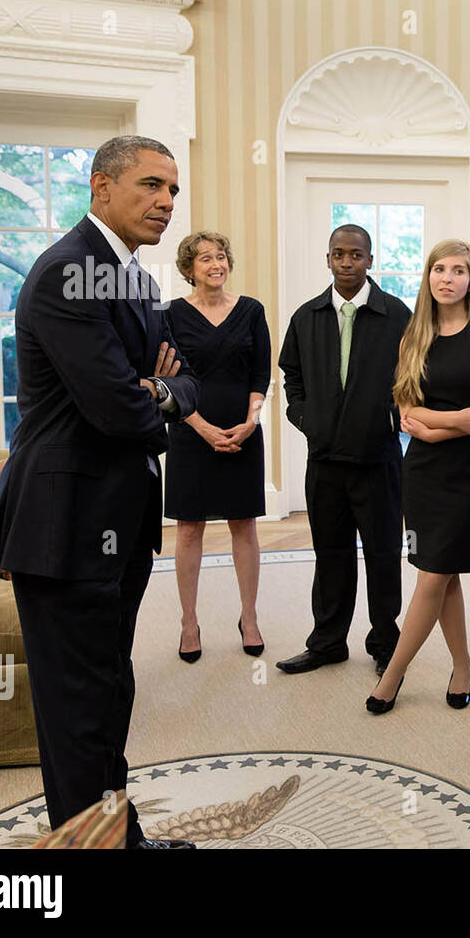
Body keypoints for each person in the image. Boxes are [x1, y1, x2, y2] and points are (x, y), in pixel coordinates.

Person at [0, 135, 200, 849]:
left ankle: (120, 840)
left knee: (108, 692)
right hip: (66, 526)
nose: (166, 201)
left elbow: (185, 379)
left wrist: (157, 388)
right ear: (101, 188)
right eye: (149, 185)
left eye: (172, 188)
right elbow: (119, 411)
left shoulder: (131, 276)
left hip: (119, 519)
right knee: (78, 712)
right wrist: (154, 395)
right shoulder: (65, 272)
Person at [365, 240, 470, 713]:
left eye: (458, 270)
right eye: (438, 269)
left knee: (432, 575)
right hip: (422, 471)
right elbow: (407, 413)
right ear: (428, 278)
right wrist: (453, 423)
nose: (447, 278)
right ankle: (463, 665)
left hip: (468, 474)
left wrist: (438, 429)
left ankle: (393, 673)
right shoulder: (413, 337)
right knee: (442, 576)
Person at [276, 225, 411, 677]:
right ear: (328, 259)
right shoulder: (306, 316)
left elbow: (414, 376)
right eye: (339, 254)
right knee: (330, 553)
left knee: (383, 552)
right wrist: (305, 418)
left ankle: (385, 642)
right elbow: (291, 378)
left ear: (370, 260)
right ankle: (328, 642)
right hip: (325, 462)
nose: (347, 262)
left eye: (357, 255)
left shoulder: (397, 315)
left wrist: (392, 417)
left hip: (378, 460)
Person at [164, 231, 272, 662]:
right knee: (190, 528)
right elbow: (167, 381)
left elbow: (260, 375)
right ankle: (189, 622)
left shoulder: (251, 311)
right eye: (205, 258)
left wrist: (251, 422)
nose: (216, 264)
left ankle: (249, 616)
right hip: (190, 432)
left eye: (221, 256)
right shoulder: (169, 315)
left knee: (243, 524)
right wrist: (201, 427)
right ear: (189, 268)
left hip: (243, 432)